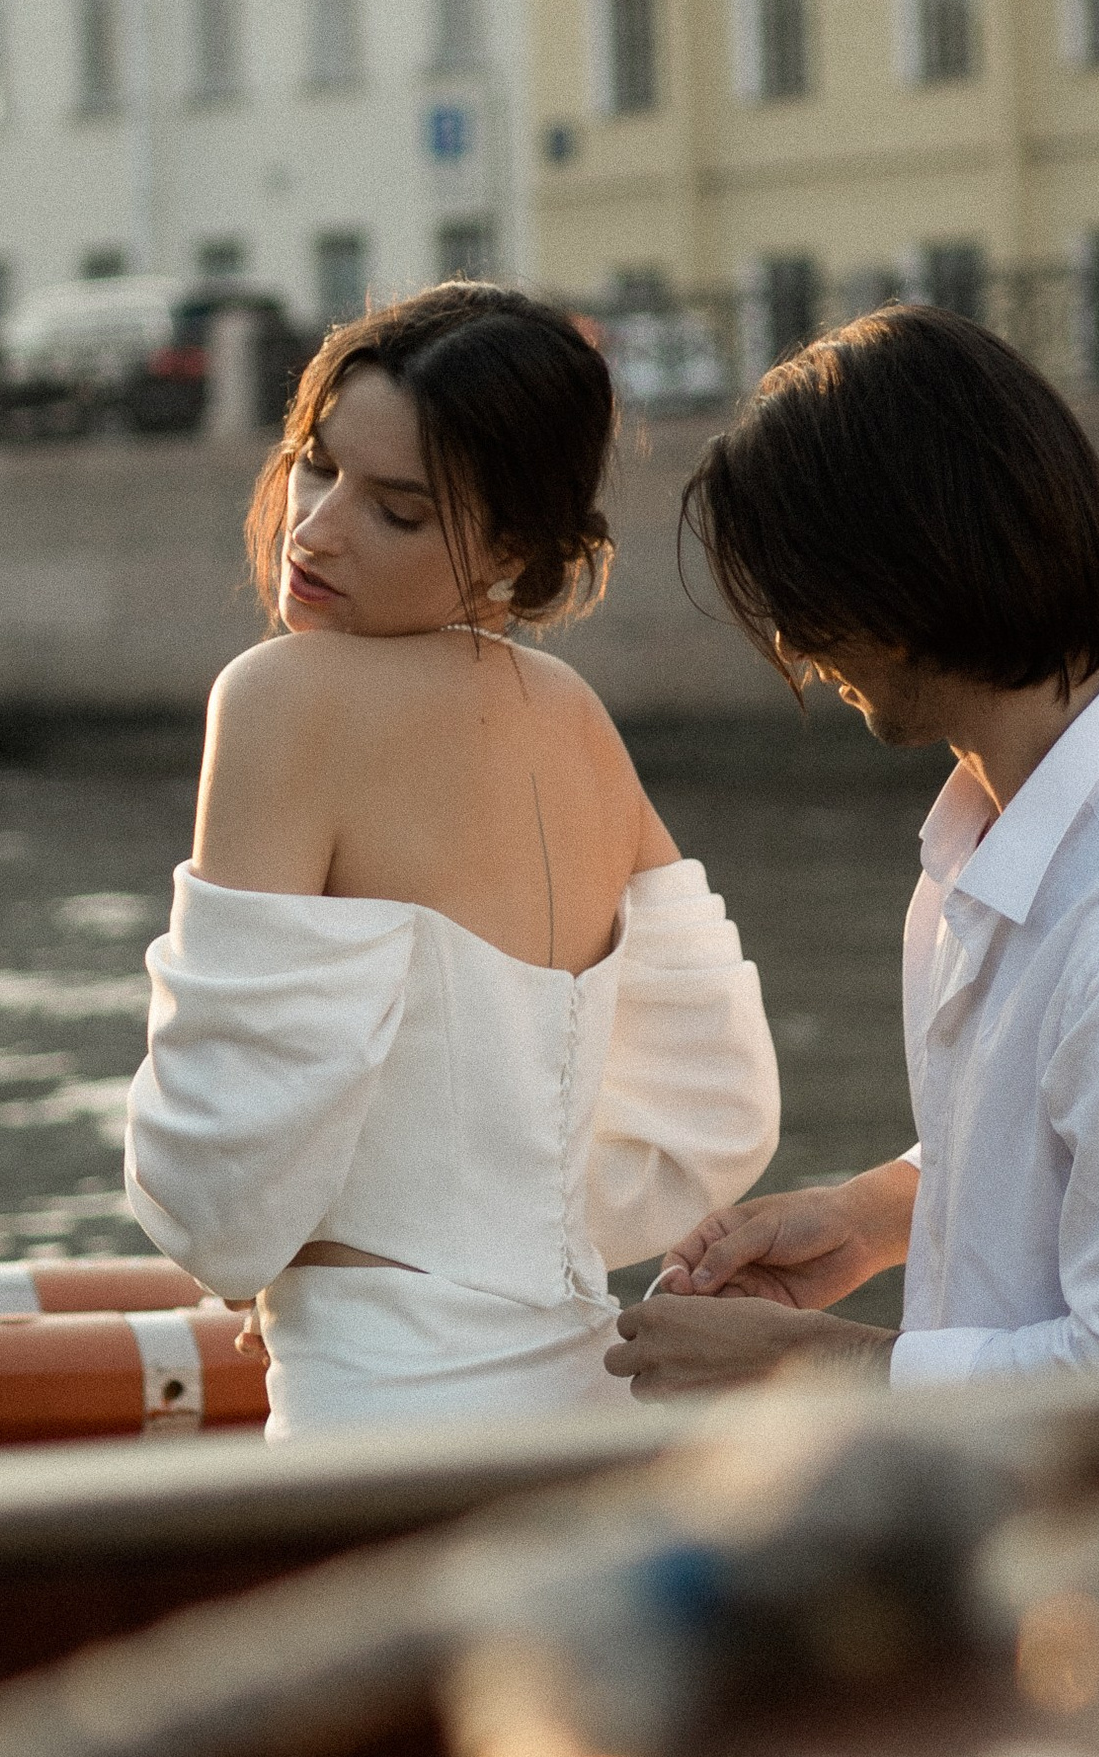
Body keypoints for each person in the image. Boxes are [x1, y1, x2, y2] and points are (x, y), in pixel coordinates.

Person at [610, 308, 1099, 1400]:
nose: (793, 648)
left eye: (800, 596)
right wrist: (873, 1214)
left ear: (902, 578)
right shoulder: (1007, 829)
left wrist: (811, 1366)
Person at [124, 282, 779, 1435]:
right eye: (317, 466)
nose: (317, 528)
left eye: (400, 511)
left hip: (378, 1420)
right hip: (584, 1392)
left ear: (516, 553)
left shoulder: (282, 698)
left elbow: (215, 1196)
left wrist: (323, 1258)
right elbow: (715, 1113)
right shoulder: (575, 719)